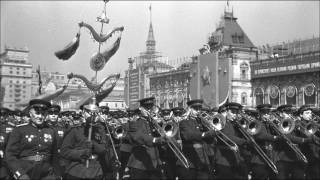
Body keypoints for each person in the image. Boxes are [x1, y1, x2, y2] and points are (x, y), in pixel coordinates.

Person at [5, 99, 58, 180]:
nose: (40, 116)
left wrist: (56, 174)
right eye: (37, 113)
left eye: (43, 114)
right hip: (25, 173)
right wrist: (19, 174)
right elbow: (10, 155)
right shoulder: (19, 130)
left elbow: (54, 156)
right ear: (30, 113)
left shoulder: (51, 131)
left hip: (47, 174)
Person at [60, 103, 110, 180]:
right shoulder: (75, 130)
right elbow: (64, 151)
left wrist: (93, 145)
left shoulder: (100, 130)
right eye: (89, 112)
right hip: (77, 171)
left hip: (96, 172)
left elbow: (104, 149)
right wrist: (82, 153)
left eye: (95, 113)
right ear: (83, 113)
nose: (92, 115)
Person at [126, 97, 166, 179]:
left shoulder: (154, 122)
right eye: (147, 107)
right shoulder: (135, 122)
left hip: (155, 163)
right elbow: (138, 137)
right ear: (141, 108)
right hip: (140, 164)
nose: (149, 109)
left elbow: (164, 136)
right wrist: (155, 140)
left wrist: (161, 125)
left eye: (151, 107)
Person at [177, 99, 216, 180]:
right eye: (195, 109)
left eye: (199, 109)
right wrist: (205, 134)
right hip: (191, 159)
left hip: (203, 159)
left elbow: (209, 141)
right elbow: (188, 135)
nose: (198, 111)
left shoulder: (202, 122)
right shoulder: (184, 122)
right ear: (190, 109)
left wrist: (213, 133)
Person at [214, 102, 248, 179]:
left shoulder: (236, 124)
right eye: (232, 112)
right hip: (224, 160)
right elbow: (227, 137)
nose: (234, 115)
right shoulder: (222, 123)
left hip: (236, 158)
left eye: (236, 113)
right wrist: (244, 142)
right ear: (226, 112)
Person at [298, 105, 320, 180]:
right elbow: (307, 136)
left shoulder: (313, 123)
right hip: (306, 152)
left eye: (310, 113)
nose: (310, 115)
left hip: (316, 153)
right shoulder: (298, 124)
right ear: (301, 115)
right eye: (307, 113)